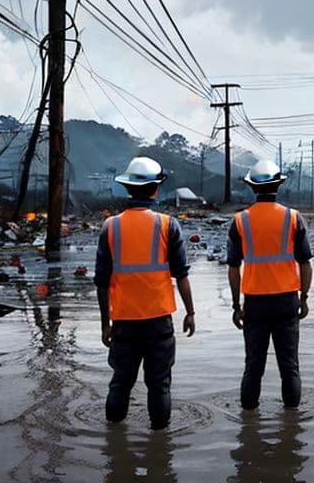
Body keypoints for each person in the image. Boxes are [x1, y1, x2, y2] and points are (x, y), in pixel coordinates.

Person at [94, 156, 196, 429]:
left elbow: (101, 282)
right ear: (156, 188)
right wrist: (190, 312)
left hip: (124, 321)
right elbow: (182, 275)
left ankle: (113, 450)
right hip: (158, 319)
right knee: (159, 385)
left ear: (128, 188)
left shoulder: (110, 227)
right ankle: (160, 450)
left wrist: (106, 324)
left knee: (120, 382)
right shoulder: (168, 225)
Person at [226, 160, 314, 409]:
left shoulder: (240, 221)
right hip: (287, 301)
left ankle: (249, 428)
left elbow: (233, 268)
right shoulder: (293, 218)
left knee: (253, 367)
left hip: (255, 303)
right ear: (279, 185)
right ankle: (292, 427)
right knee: (290, 367)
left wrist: (236, 305)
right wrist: (304, 298)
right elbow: (305, 264)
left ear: (252, 188)